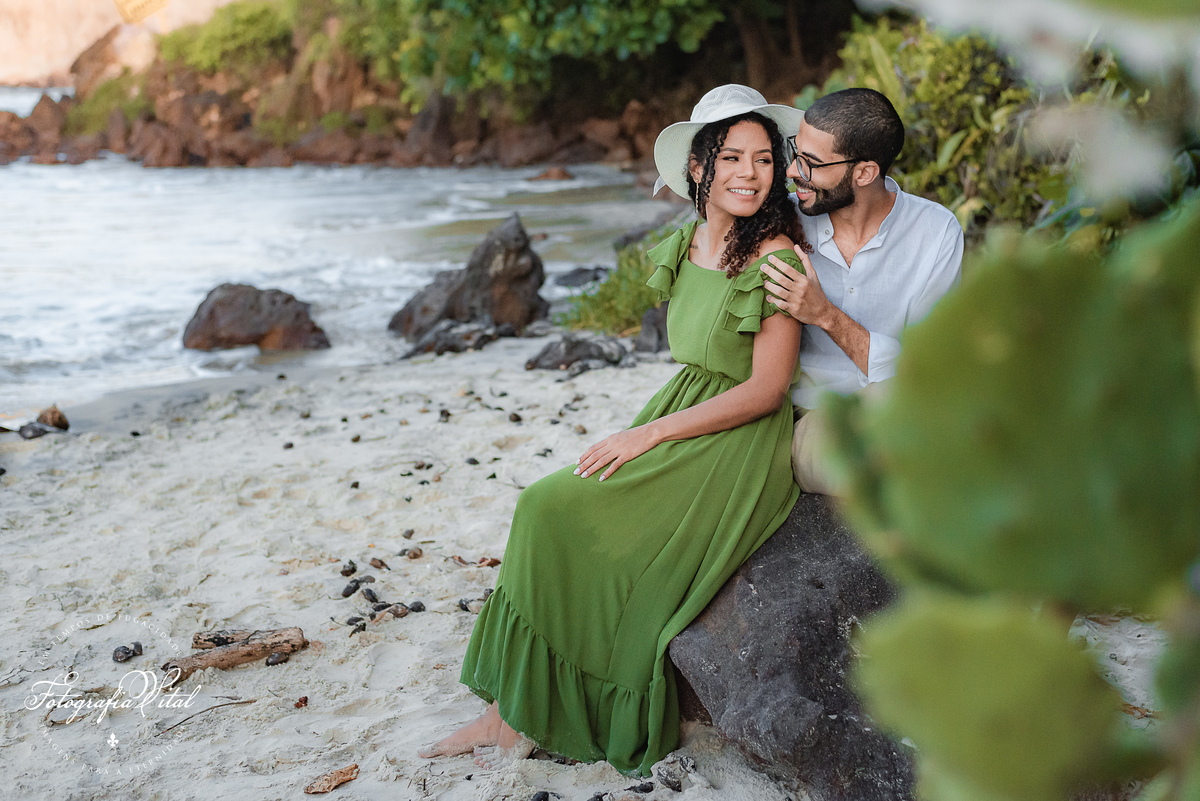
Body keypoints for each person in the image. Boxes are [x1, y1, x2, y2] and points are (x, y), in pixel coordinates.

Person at [418, 84, 807, 776]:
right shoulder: (687, 240)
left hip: (739, 438)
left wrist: (649, 436)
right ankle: (506, 713)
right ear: (699, 168)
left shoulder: (775, 257)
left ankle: (532, 712)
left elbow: (766, 388)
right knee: (548, 507)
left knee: (552, 508)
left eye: (764, 159)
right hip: (683, 409)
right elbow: (695, 356)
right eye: (733, 158)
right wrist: (651, 427)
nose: (751, 174)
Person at [759, 88, 964, 494]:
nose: (792, 172)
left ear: (865, 173)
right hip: (816, 415)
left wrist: (825, 315)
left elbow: (924, 370)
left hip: (905, 405)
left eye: (811, 163)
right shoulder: (782, 221)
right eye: (795, 153)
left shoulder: (936, 232)